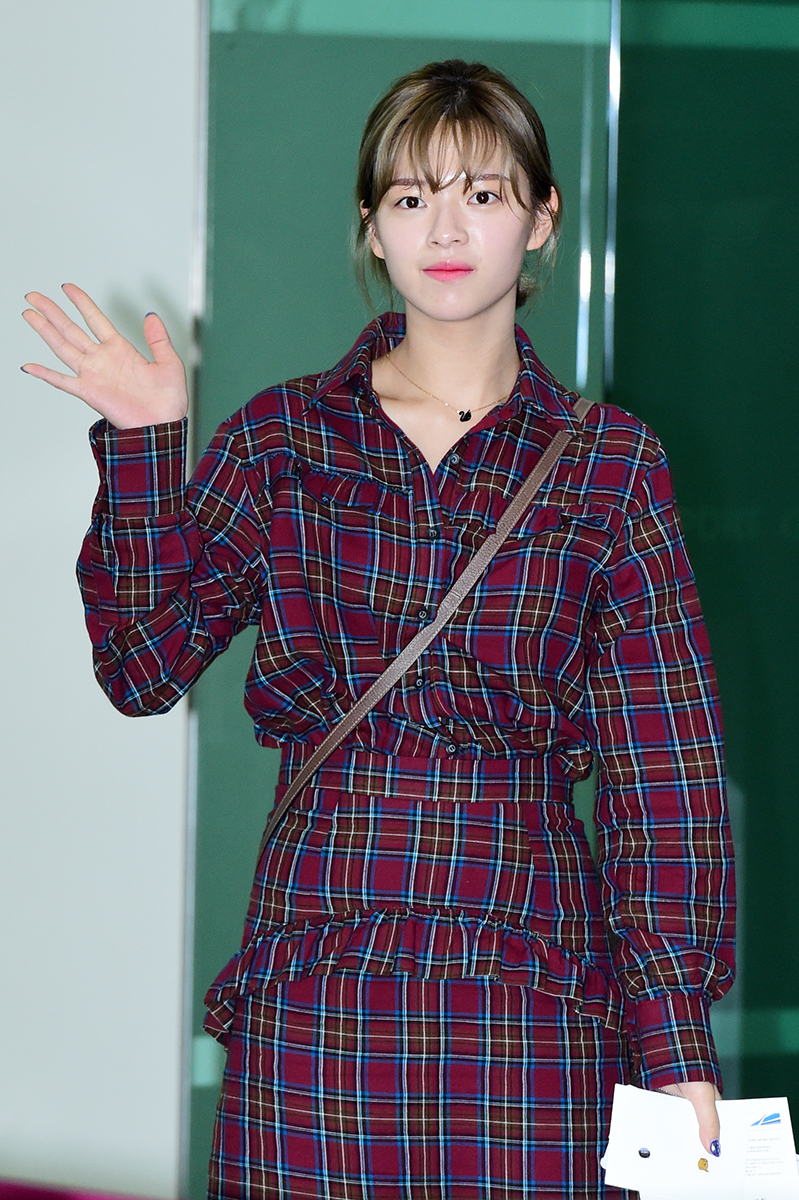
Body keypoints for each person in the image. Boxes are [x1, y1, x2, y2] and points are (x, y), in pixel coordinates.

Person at [22, 59, 734, 1200]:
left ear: (541, 220)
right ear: (371, 225)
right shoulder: (284, 441)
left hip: (529, 997)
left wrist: (675, 1044)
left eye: (482, 194)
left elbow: (665, 779)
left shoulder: (611, 467)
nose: (444, 229)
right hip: (321, 986)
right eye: (410, 197)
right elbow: (142, 666)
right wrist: (148, 444)